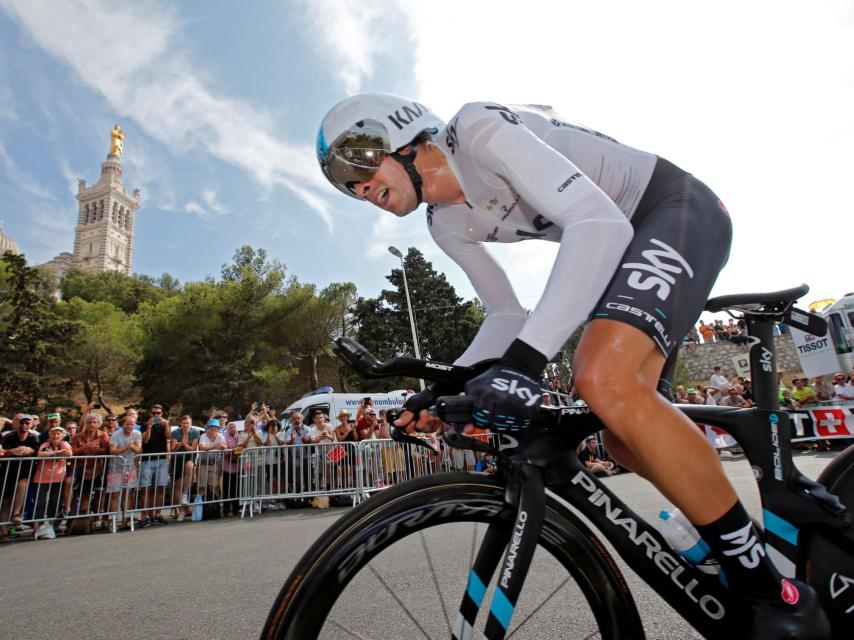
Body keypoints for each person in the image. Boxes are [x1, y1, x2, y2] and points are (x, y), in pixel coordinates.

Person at [319, 93, 827, 635]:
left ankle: (774, 593)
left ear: (401, 132)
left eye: (360, 161)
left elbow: (597, 224)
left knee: (602, 378)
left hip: (671, 209)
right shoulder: (446, 223)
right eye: (344, 183)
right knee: (623, 434)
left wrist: (524, 364)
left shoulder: (477, 129)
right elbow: (505, 314)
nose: (358, 187)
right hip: (624, 245)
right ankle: (721, 534)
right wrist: (448, 382)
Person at [1, 414, 39, 542]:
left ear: (31, 424)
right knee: (6, 501)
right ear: (17, 424)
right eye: (22, 423)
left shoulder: (34, 438)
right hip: (8, 471)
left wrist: (30, 451)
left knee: (23, 483)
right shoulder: (9, 437)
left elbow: (37, 452)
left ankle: (17, 514)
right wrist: (13, 451)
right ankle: (4, 532)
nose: (24, 425)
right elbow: (3, 452)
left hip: (25, 471)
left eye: (27, 423)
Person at [32, 426, 72, 539]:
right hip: (42, 477)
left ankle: (51, 526)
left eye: (58, 434)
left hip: (58, 477)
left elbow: (69, 453)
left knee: (54, 502)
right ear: (49, 435)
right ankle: (36, 528)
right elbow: (40, 454)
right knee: (40, 502)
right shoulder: (45, 445)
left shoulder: (65, 444)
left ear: (62, 436)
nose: (55, 436)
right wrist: (58, 452)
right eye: (53, 434)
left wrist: (52, 453)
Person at [107, 411, 142, 530]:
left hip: (129, 468)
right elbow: (112, 451)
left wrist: (132, 447)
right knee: (115, 494)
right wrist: (127, 447)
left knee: (128, 494)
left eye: (131, 425)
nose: (129, 427)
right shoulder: (116, 434)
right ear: (123, 424)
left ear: (134, 425)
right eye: (127, 424)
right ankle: (113, 521)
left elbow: (138, 449)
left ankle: (126, 520)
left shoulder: (137, 433)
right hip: (116, 468)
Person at [139, 408, 172, 527]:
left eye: (158, 413)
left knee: (160, 488)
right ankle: (146, 515)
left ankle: (157, 514)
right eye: (154, 413)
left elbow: (168, 437)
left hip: (161, 460)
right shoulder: (144, 426)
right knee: (145, 489)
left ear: (162, 414)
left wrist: (166, 425)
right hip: (147, 461)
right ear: (150, 413)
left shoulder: (164, 425)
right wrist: (149, 427)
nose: (156, 415)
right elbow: (145, 440)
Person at [170, 415, 201, 518]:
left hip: (189, 456)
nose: (185, 425)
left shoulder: (195, 432)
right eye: (184, 423)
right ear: (181, 423)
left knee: (189, 466)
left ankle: (185, 494)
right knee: (178, 484)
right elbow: (172, 450)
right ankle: (179, 509)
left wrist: (185, 444)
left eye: (187, 423)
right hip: (177, 458)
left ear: (191, 423)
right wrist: (177, 446)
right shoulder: (175, 432)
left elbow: (193, 449)